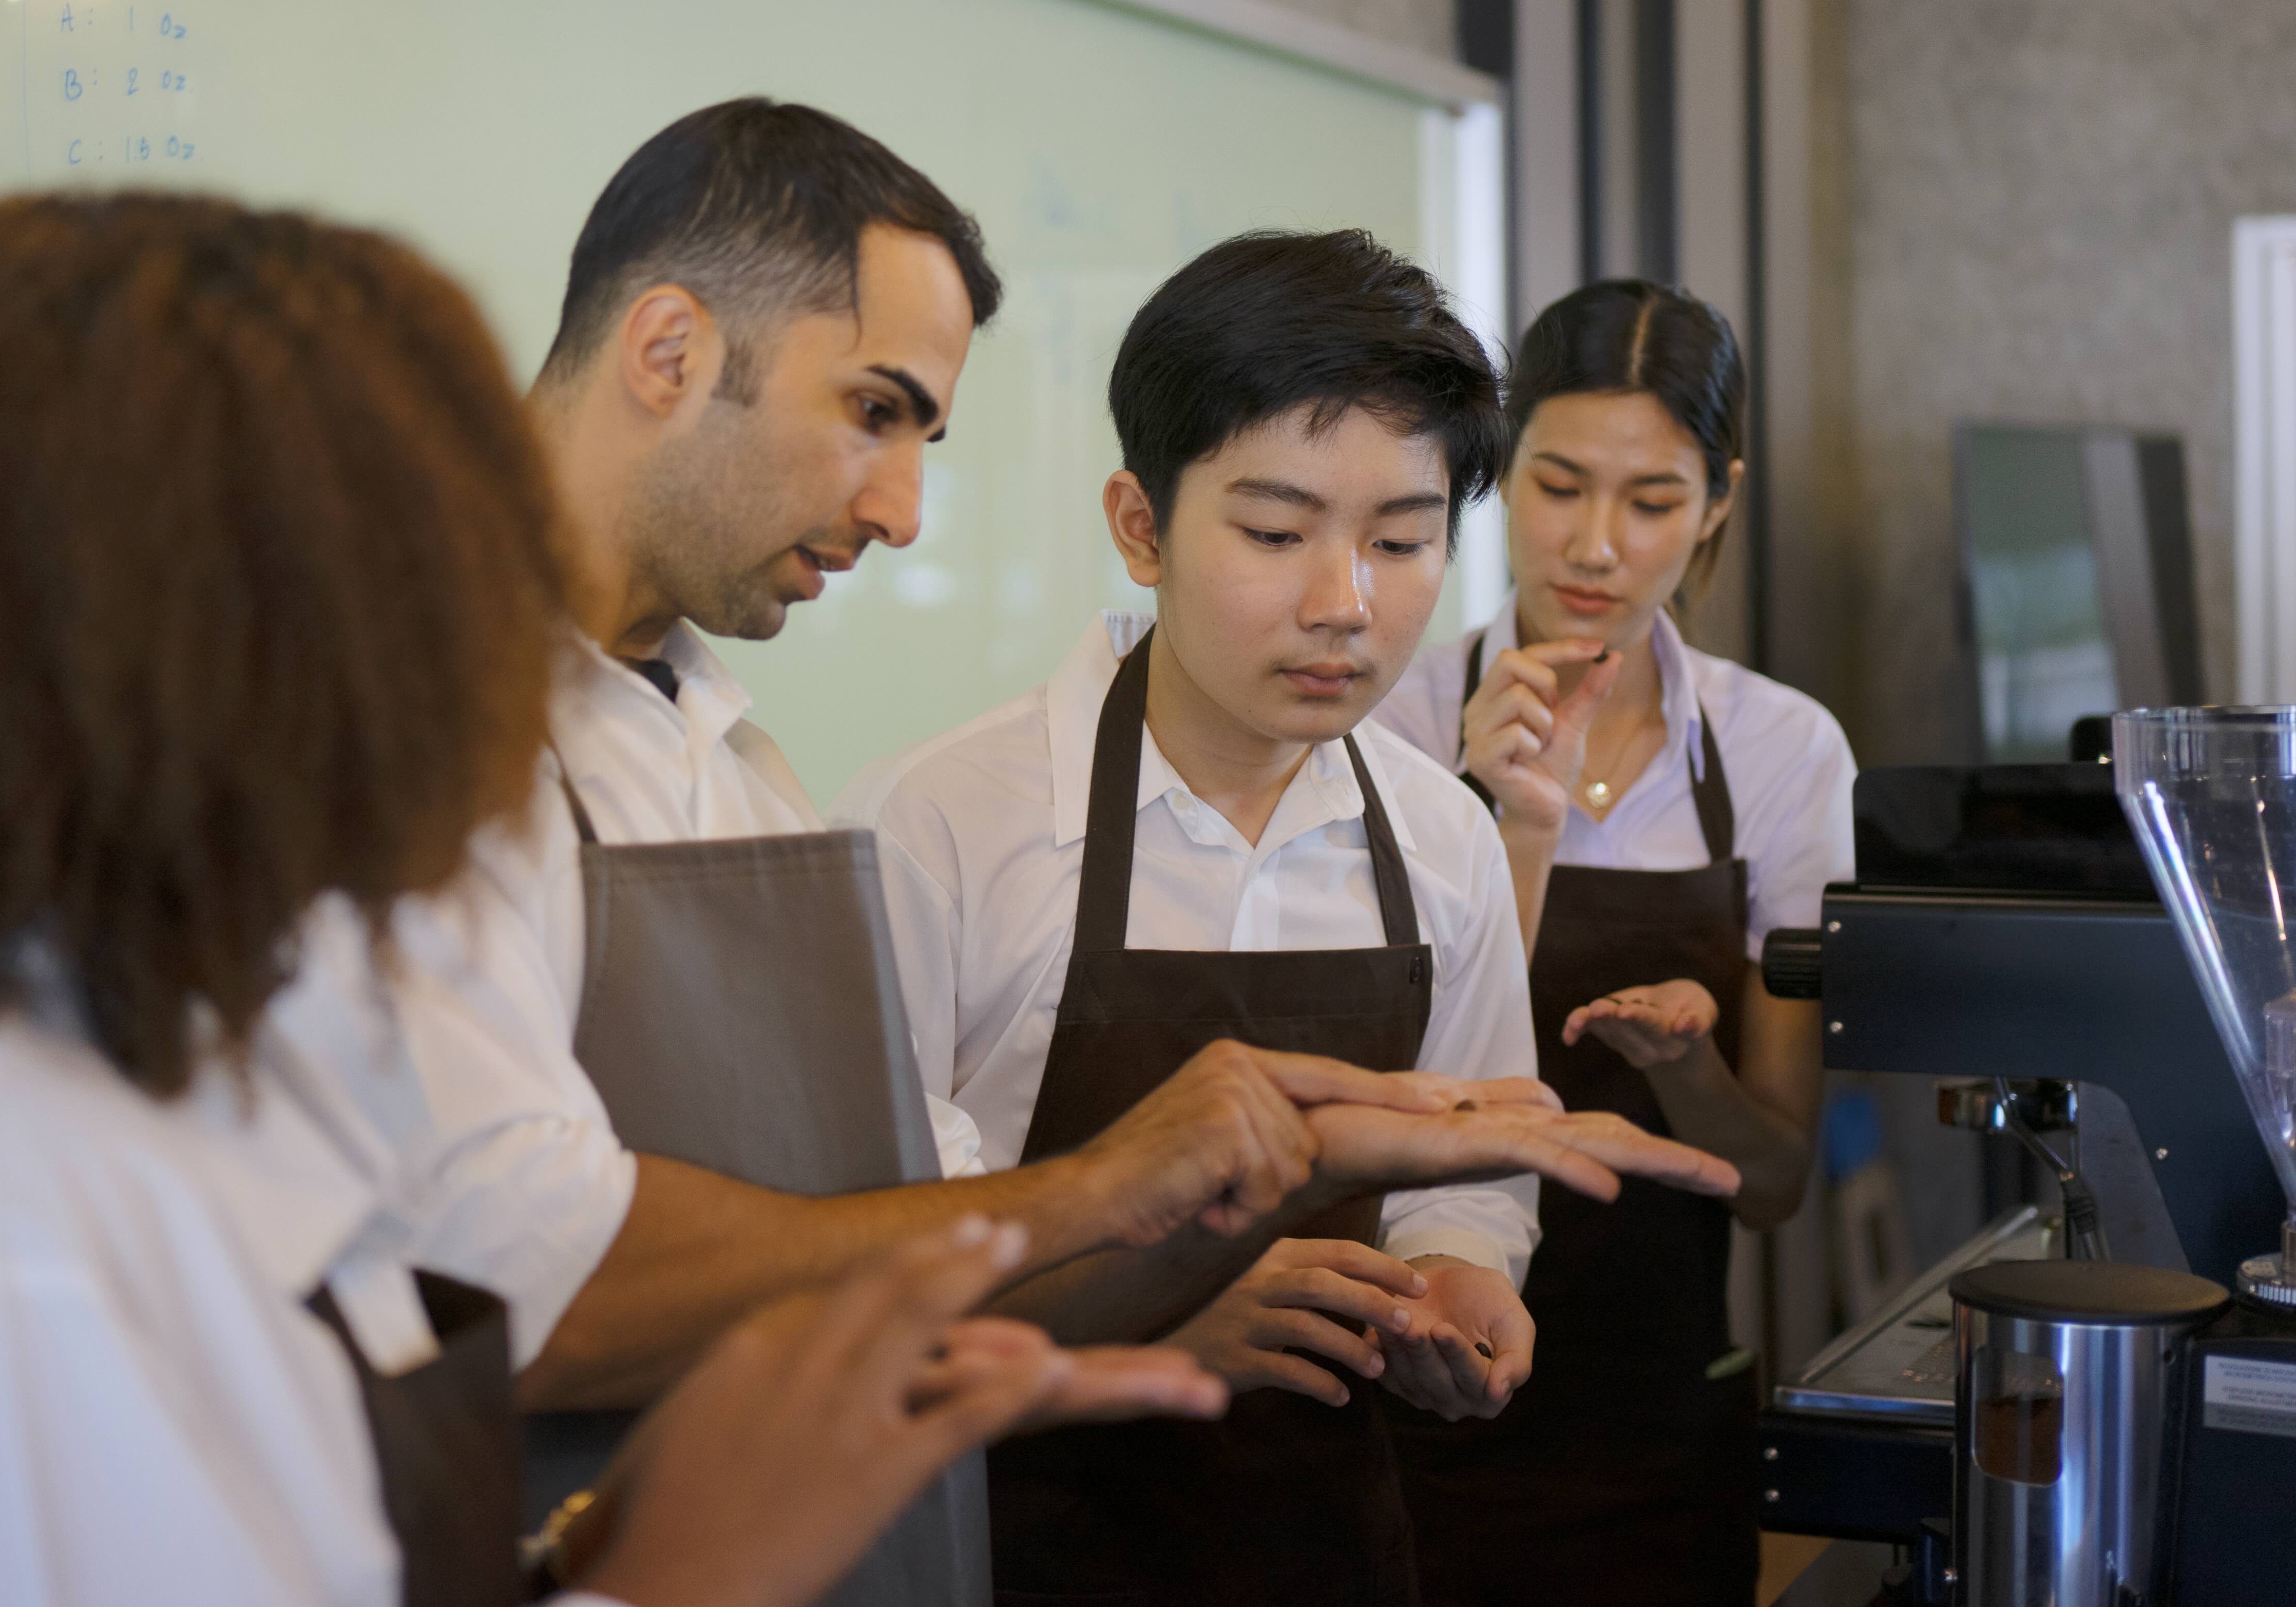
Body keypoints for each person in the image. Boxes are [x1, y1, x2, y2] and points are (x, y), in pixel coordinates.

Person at [0, 194, 1249, 1607]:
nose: (477, 626)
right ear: (170, 648)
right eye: (426, 553)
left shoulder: (130, 1063)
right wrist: (668, 1573)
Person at [274, 101, 1746, 1471]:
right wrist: (1158, 1184)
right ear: (666, 352)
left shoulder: (730, 766)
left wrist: (1347, 1198)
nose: (907, 512)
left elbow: (885, 1253)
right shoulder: (378, 723)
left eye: (1401, 541)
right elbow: (527, 1285)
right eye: (873, 411)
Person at [838, 233, 1746, 1606]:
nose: (1346, 605)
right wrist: (1159, 1326)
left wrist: (1459, 1279)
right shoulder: (936, 827)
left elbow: (1477, 1172)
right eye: (1274, 533)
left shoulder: (1442, 837)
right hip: (999, 1550)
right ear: (1142, 525)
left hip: (1320, 1546)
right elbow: (864, 1280)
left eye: (1402, 539)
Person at [1377, 279, 1855, 1607]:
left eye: (1651, 503)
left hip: (1655, 1425)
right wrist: (1495, 818)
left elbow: (1772, 1182)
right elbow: (1384, 1100)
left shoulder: (1779, 754)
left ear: (1718, 505)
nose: (1595, 546)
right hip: (1409, 1383)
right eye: (1557, 485)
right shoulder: (1391, 718)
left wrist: (1686, 1072)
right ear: (1497, 474)